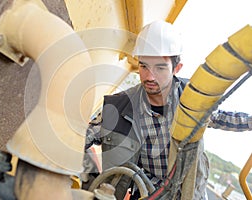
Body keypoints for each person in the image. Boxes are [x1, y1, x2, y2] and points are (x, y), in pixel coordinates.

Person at [82, 20, 252, 200]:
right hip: (147, 193)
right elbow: (81, 137)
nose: (149, 76)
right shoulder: (120, 106)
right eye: (143, 66)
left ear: (176, 69)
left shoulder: (193, 98)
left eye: (160, 68)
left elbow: (223, 117)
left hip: (188, 194)